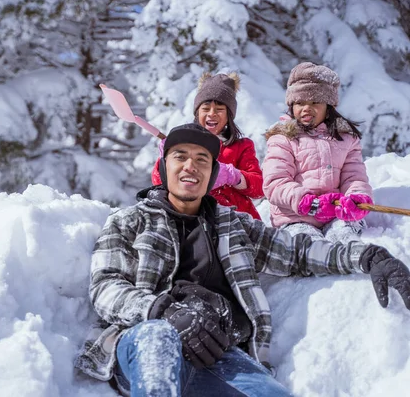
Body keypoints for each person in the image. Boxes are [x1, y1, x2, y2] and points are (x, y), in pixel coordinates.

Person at [74, 123, 410, 397]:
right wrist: (163, 311)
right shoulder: (129, 220)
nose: (191, 166)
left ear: (212, 174)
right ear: (164, 167)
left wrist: (368, 255)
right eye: (180, 157)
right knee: (157, 340)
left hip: (219, 352)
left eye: (202, 160)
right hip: (146, 341)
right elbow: (105, 287)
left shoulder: (233, 224)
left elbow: (296, 252)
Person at [262, 62, 373, 243]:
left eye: (315, 102)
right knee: (308, 246)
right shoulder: (282, 139)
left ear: (329, 107)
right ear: (291, 106)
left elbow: (354, 177)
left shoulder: (346, 139)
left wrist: (356, 198)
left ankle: (354, 258)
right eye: (300, 102)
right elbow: (275, 183)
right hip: (295, 217)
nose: (306, 108)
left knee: (346, 237)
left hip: (336, 215)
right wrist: (309, 203)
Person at [150, 72, 264, 219]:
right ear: (197, 113)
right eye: (206, 108)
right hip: (194, 220)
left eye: (219, 109)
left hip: (237, 220)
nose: (212, 114)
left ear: (229, 116)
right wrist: (166, 159)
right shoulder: (184, 144)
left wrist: (233, 176)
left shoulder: (241, 146)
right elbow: (158, 182)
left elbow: (259, 188)